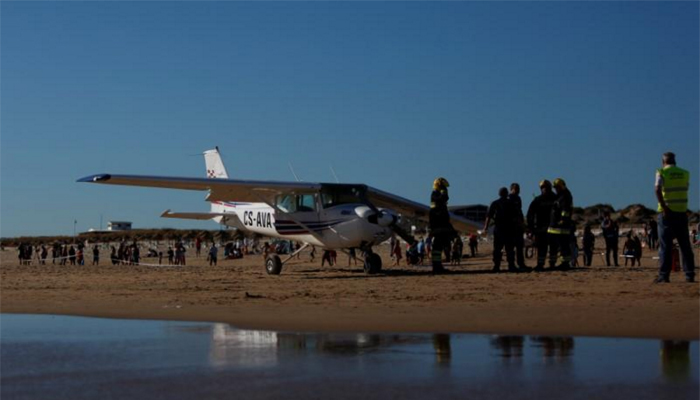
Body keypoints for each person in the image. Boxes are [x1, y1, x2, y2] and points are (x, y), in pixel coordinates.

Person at [653, 152, 695, 283]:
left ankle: (664, 275)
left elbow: (657, 189)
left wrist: (664, 207)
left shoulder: (661, 172)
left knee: (665, 245)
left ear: (663, 161)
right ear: (674, 161)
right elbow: (685, 189)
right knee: (685, 245)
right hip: (681, 211)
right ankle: (689, 274)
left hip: (666, 212)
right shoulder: (685, 173)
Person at [484, 187, 518, 272]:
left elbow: (488, 217)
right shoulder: (511, 203)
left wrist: (485, 227)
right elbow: (516, 217)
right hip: (508, 229)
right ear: (507, 193)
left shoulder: (495, 203)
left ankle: (497, 266)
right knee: (509, 249)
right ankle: (511, 266)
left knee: (498, 249)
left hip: (500, 229)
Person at [526, 180, 557, 271]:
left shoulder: (556, 198)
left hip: (553, 228)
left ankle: (552, 264)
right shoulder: (537, 200)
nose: (545, 189)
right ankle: (540, 264)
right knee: (541, 248)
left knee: (553, 247)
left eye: (546, 187)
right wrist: (531, 228)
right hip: (541, 229)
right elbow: (530, 214)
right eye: (543, 188)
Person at [428, 177, 455, 273]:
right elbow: (443, 199)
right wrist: (444, 191)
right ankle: (436, 267)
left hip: (440, 223)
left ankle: (438, 266)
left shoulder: (437, 195)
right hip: (437, 224)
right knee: (437, 246)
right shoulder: (434, 194)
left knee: (439, 247)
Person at [547, 178, 574, 270]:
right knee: (553, 247)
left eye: (557, 187)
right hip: (554, 227)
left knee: (563, 247)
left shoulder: (565, 196)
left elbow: (565, 210)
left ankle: (565, 263)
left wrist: (563, 220)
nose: (556, 189)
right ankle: (552, 263)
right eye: (555, 187)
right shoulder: (559, 196)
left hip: (561, 227)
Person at [508, 183, 529, 270]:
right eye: (516, 189)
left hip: (519, 226)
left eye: (518, 188)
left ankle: (521, 264)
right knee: (511, 248)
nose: (518, 190)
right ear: (512, 189)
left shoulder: (518, 198)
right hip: (511, 227)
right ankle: (511, 265)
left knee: (520, 247)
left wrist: (523, 224)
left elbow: (519, 211)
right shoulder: (509, 198)